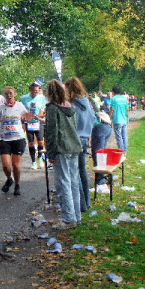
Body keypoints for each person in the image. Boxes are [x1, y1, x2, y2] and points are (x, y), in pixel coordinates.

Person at [44, 79, 82, 230]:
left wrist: (51, 152)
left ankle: (68, 219)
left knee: (63, 184)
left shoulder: (52, 108)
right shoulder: (70, 106)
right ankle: (76, 216)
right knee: (73, 182)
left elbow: (52, 131)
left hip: (62, 148)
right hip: (74, 146)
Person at [0, 86, 30, 196]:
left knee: (15, 165)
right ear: (4, 96)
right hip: (5, 140)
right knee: (6, 166)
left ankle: (17, 185)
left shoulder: (19, 105)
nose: (9, 95)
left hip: (18, 139)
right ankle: (9, 179)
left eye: (10, 93)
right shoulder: (0, 107)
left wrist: (31, 115)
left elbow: (27, 116)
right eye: (6, 94)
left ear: (14, 94)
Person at [64, 78, 95, 213]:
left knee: (75, 173)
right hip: (84, 138)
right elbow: (93, 118)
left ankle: (81, 204)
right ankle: (86, 202)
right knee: (82, 172)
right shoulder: (86, 101)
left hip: (75, 139)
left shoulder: (71, 105)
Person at [20, 81, 46, 170]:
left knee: (40, 141)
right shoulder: (24, 98)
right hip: (29, 122)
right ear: (30, 90)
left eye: (38, 90)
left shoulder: (42, 98)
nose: (36, 92)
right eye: (35, 91)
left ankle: (39, 158)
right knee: (31, 142)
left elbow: (44, 110)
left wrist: (39, 116)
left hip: (38, 121)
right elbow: (21, 110)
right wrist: (24, 119)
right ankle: (33, 161)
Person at [90, 92, 113, 185]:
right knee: (100, 154)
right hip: (106, 126)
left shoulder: (83, 104)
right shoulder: (91, 102)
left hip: (99, 128)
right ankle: (100, 180)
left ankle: (100, 182)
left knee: (98, 155)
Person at [109, 86, 129, 152]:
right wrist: (127, 117)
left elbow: (111, 109)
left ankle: (121, 150)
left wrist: (109, 118)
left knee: (118, 136)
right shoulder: (124, 99)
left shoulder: (113, 99)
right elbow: (127, 109)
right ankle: (125, 150)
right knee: (124, 135)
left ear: (113, 92)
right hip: (124, 119)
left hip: (117, 119)